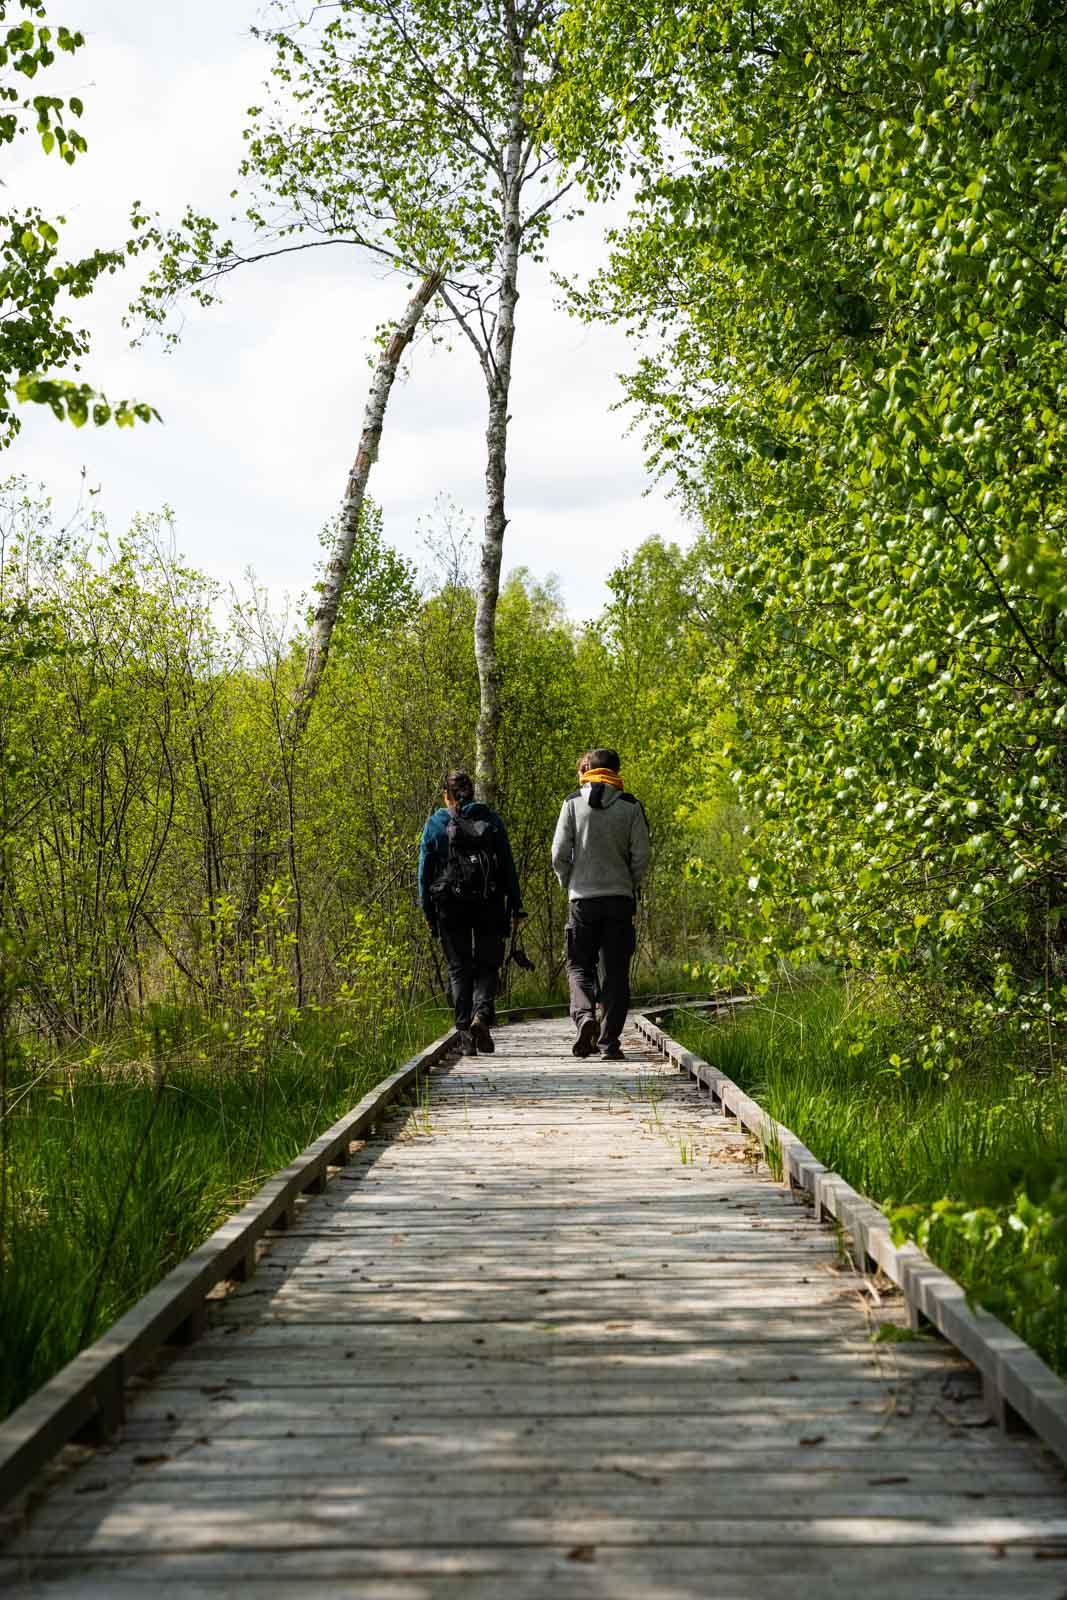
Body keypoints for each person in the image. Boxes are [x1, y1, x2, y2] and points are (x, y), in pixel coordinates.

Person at [551, 748, 650, 1060]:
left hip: (582, 900)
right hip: (619, 900)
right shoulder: (631, 807)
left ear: (589, 769)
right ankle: (609, 1043)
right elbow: (642, 855)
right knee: (616, 972)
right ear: (617, 772)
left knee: (579, 964)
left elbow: (558, 853)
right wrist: (629, 884)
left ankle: (585, 1018)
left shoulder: (572, 804)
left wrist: (569, 882)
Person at [419, 768, 524, 1055]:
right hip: (490, 902)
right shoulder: (490, 820)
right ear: (472, 793)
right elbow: (507, 866)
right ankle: (482, 1014)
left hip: (450, 906)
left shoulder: (436, 823)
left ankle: (465, 1033)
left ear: (446, 795)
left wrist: (428, 912)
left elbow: (424, 874)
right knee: (488, 965)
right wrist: (516, 905)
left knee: (459, 969)